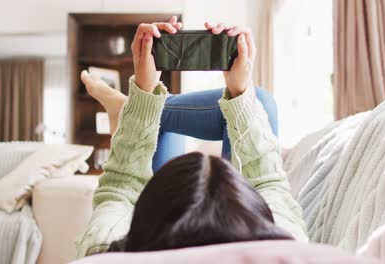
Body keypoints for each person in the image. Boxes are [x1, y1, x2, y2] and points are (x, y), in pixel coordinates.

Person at [76, 17, 308, 257]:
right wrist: (241, 89)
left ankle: (132, 108)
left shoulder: (110, 256)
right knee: (260, 100)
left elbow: (119, 188)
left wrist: (143, 93)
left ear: (150, 214)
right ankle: (135, 108)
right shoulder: (280, 252)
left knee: (258, 100)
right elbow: (269, 182)